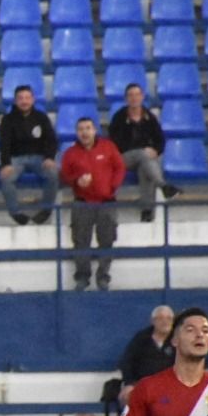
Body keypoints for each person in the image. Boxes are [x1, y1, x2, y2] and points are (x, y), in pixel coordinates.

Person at [59, 117, 125, 291]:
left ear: (95, 130)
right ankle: (82, 278)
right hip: (82, 203)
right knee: (81, 242)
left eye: (88, 128)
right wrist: (76, 181)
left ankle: (103, 278)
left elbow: (120, 168)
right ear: (76, 132)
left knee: (107, 241)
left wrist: (113, 187)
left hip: (106, 202)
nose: (84, 132)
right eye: (80, 129)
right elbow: (64, 176)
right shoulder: (70, 153)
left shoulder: (108, 147)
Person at [108, 83, 178, 223]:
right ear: (126, 99)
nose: (134, 98)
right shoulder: (119, 118)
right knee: (144, 156)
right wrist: (141, 150)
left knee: (145, 166)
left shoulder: (149, 117)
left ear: (142, 97)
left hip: (144, 159)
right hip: (122, 158)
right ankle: (162, 185)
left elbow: (160, 140)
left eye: (137, 95)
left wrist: (155, 151)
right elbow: (113, 144)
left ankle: (147, 212)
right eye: (130, 95)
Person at [0, 85, 57, 225]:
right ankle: (15, 213)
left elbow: (51, 140)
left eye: (27, 98)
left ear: (33, 99)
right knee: (6, 179)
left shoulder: (41, 118)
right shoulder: (7, 119)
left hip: (39, 157)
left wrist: (49, 158)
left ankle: (46, 210)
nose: (24, 101)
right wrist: (6, 164)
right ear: (15, 101)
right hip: (16, 159)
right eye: (20, 98)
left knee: (53, 174)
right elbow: (4, 143)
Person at [117, 304, 176, 408]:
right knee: (127, 395)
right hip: (143, 385)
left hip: (170, 385)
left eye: (169, 318)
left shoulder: (178, 339)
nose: (165, 321)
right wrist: (129, 383)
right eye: (160, 318)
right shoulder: (141, 338)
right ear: (153, 321)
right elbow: (126, 361)